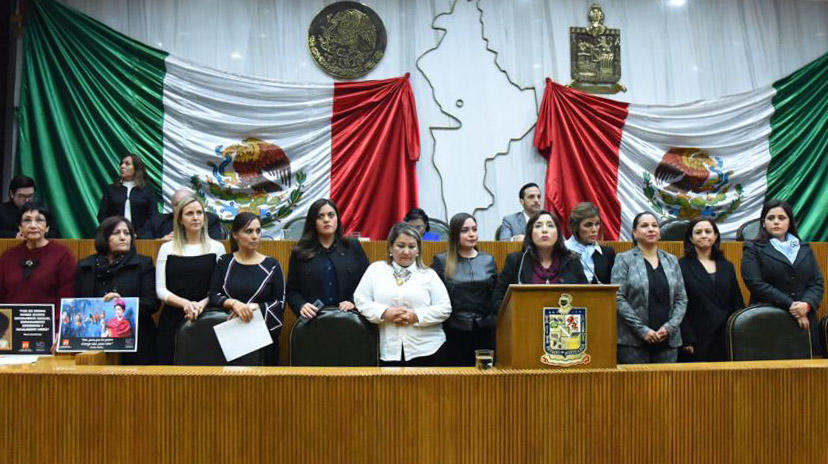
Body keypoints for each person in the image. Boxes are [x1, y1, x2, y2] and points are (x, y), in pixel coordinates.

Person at [354, 223, 451, 366]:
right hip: (387, 351)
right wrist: (384, 313)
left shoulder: (429, 275)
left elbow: (445, 308)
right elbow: (360, 300)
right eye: (400, 245)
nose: (406, 252)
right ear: (391, 247)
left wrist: (416, 316)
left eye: (412, 246)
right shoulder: (375, 270)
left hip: (428, 349)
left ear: (418, 250)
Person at [741, 199, 824, 356]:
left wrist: (806, 306)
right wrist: (792, 306)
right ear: (763, 223)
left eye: (781, 218)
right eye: (771, 218)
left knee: (808, 375)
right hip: (769, 318)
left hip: (805, 320)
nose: (776, 222)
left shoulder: (804, 248)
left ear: (789, 222)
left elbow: (817, 283)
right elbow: (755, 283)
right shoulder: (752, 248)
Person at [76, 216, 158, 364]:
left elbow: (152, 303)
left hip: (136, 340)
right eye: (117, 233)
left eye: (127, 233)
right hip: (95, 340)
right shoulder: (85, 266)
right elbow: (79, 303)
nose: (123, 237)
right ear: (104, 237)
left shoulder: (143, 264)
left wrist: (122, 302)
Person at [154, 195, 226, 364]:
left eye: (199, 213)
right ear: (180, 219)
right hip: (172, 318)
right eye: (189, 213)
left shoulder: (217, 248)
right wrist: (186, 304)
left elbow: (220, 288)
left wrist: (200, 304)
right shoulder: (166, 248)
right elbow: (160, 290)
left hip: (208, 315)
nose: (195, 217)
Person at [209, 212, 285, 365]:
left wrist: (254, 307)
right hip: (230, 339)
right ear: (236, 235)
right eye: (249, 231)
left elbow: (280, 303)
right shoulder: (225, 261)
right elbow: (213, 294)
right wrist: (233, 304)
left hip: (263, 342)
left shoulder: (272, 265)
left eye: (258, 231)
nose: (255, 236)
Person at [611, 212, 687, 364]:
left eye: (654, 225)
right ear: (634, 233)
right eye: (644, 226)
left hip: (668, 341)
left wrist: (669, 328)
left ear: (659, 232)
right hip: (633, 342)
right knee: (636, 387)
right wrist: (642, 330)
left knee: (666, 387)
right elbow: (617, 297)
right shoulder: (623, 259)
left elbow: (681, 298)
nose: (651, 229)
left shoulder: (671, 260)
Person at [431, 213, 498, 366]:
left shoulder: (488, 260)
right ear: (455, 234)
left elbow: (496, 295)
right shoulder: (441, 261)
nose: (471, 234)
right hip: (454, 331)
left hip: (485, 330)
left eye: (474, 229)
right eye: (465, 230)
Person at [287, 199, 369, 320]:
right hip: (314, 322)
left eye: (331, 215)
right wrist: (301, 305)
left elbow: (368, 284)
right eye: (320, 216)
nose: (326, 219)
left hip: (349, 320)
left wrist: (353, 302)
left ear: (337, 219)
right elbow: (292, 290)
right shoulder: (300, 252)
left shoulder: (352, 246)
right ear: (313, 222)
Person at [678, 217, 744, 362]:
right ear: (691, 238)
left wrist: (738, 333)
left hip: (725, 336)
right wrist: (686, 338)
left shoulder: (727, 266)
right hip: (697, 337)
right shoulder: (680, 266)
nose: (704, 235)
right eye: (698, 232)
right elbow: (678, 305)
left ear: (715, 236)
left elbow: (737, 301)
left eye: (708, 231)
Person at [0, 201, 76, 325]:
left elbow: (67, 298)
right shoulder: (7, 257)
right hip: (12, 329)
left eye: (39, 220)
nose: (33, 225)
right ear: (19, 227)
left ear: (47, 227)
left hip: (49, 330)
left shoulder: (63, 255)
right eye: (27, 220)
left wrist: (59, 331)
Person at [493, 211, 588, 308]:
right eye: (538, 226)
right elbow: (498, 301)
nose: (544, 230)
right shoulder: (516, 261)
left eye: (550, 225)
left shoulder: (572, 261)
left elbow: (586, 298)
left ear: (558, 233)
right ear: (530, 233)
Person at [97, 153, 158, 234]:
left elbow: (153, 216)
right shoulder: (111, 189)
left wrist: (141, 233)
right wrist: (114, 231)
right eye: (121, 164)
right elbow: (102, 215)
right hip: (115, 236)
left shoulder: (147, 190)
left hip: (143, 238)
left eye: (127, 164)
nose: (122, 166)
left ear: (136, 168)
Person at [140, 188, 224, 240]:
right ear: (172, 207)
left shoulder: (210, 220)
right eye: (177, 204)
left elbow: (215, 243)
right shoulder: (157, 221)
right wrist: (160, 243)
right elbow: (143, 244)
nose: (181, 207)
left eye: (184, 203)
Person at [564, 202, 616, 284]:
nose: (594, 230)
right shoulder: (561, 251)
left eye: (597, 224)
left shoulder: (608, 253)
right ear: (575, 227)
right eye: (588, 225)